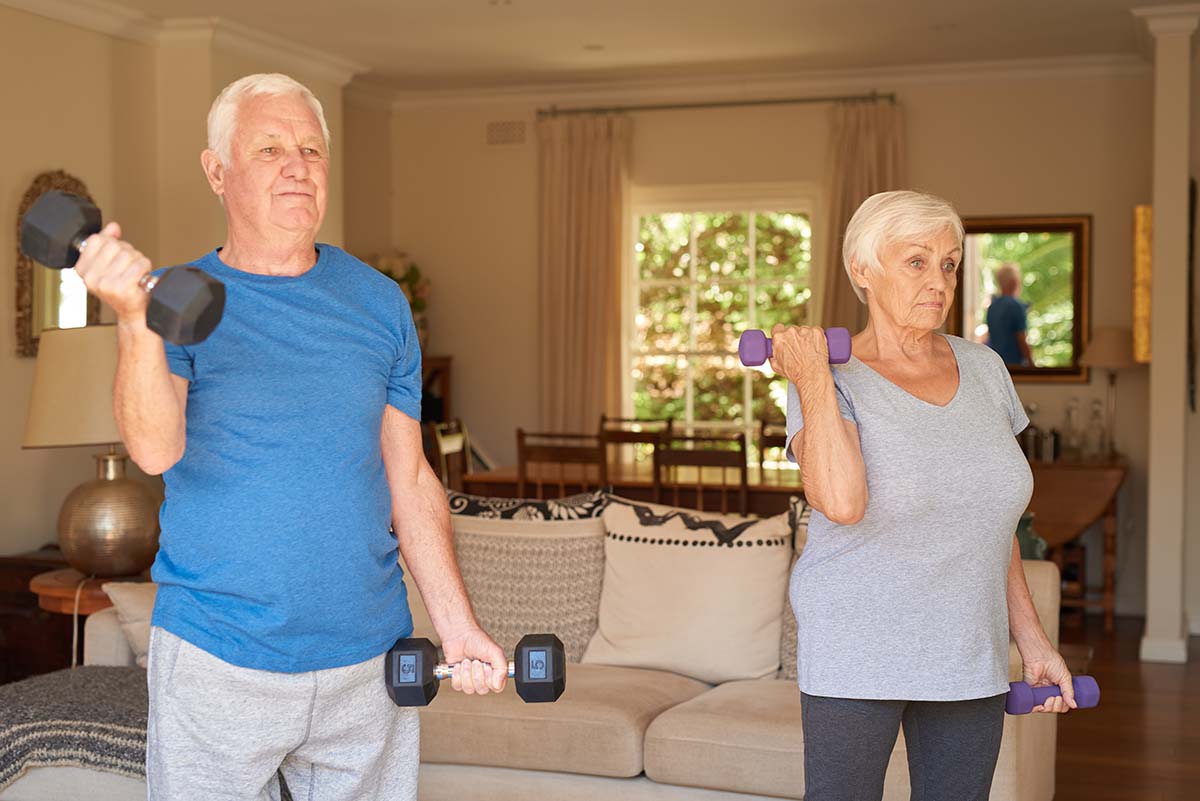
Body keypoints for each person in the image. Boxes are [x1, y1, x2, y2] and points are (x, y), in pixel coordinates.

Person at [71, 73, 506, 801]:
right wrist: (131, 321)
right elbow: (153, 449)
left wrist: (456, 625)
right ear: (217, 171)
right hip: (220, 656)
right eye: (269, 148)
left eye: (310, 148)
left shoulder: (378, 302)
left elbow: (412, 477)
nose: (297, 164)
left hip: (366, 661)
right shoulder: (175, 301)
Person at [771, 191, 1073, 801]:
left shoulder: (987, 369)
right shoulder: (826, 375)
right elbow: (841, 500)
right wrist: (810, 376)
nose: (938, 280)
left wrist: (1033, 641)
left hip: (968, 645)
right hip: (858, 643)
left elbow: (991, 520)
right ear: (863, 269)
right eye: (916, 261)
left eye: (949, 263)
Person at [984, 261, 1034, 366]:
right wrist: (1032, 365)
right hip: (1015, 367)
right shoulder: (1016, 306)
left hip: (996, 365)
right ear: (1013, 282)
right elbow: (1021, 340)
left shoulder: (992, 307)